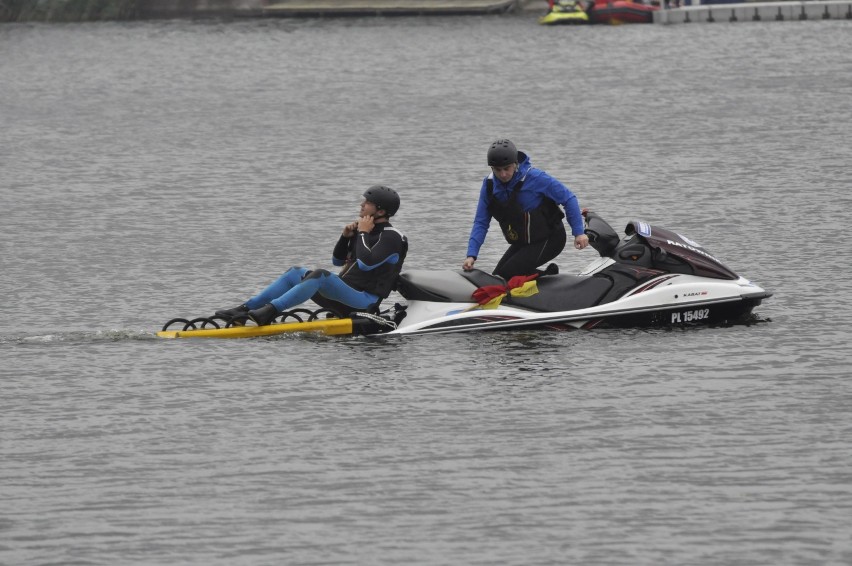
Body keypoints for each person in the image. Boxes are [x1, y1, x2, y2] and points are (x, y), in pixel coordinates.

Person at [216, 185, 407, 326]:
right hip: (345, 295)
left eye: (367, 203)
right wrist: (345, 237)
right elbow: (338, 261)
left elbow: (366, 264)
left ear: (381, 211)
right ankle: (244, 311)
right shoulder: (366, 230)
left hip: (365, 302)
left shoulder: (392, 237)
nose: (361, 205)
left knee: (319, 275)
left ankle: (269, 312)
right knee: (295, 272)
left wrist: (363, 232)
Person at [462, 139, 589, 280]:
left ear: (515, 164)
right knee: (497, 277)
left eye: (507, 168)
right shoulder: (489, 186)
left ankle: (550, 281)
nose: (503, 174)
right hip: (524, 242)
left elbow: (569, 198)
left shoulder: (536, 177)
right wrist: (471, 255)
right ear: (492, 168)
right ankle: (547, 276)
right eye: (498, 170)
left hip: (551, 238)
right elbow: (481, 222)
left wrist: (579, 232)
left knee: (507, 275)